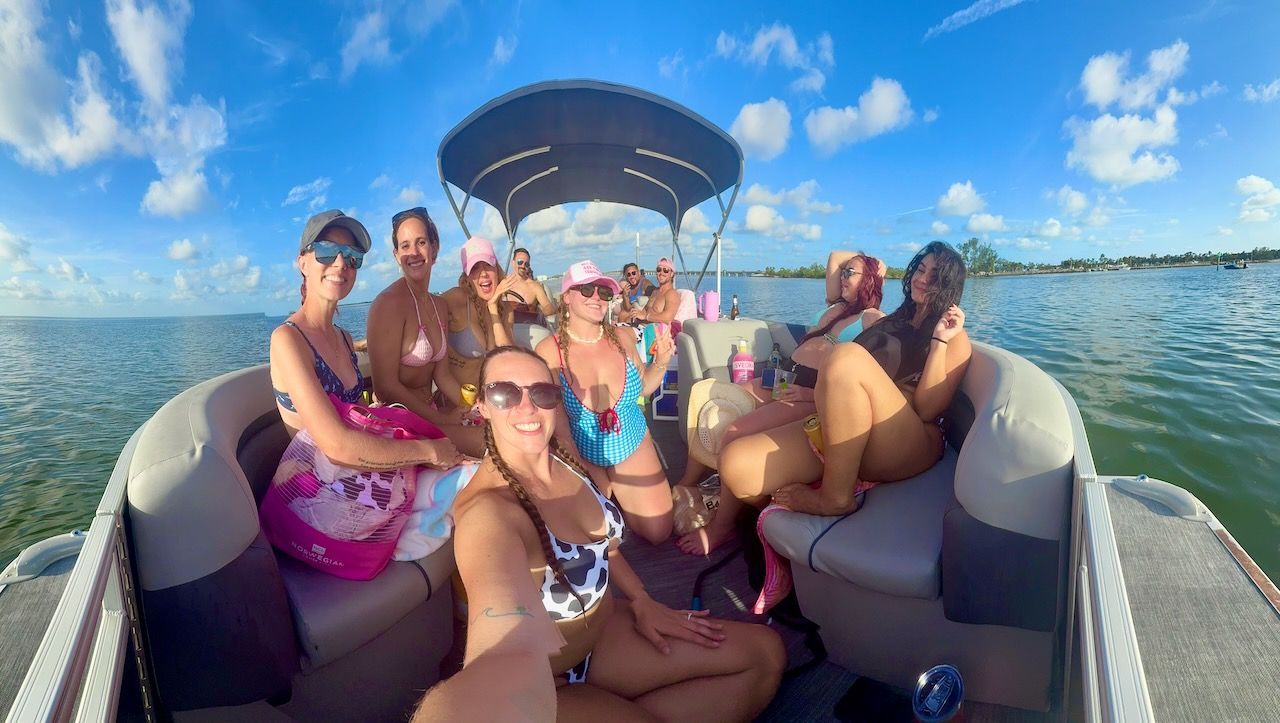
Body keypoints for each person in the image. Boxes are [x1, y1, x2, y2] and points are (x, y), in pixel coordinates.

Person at [447, 345, 785, 720]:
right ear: (481, 406)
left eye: (541, 393)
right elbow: (490, 650)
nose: (526, 407)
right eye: (504, 393)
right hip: (544, 683)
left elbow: (605, 548)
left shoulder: (563, 459)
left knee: (766, 655)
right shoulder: (488, 512)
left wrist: (641, 599)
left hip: (605, 633)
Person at [719, 241, 970, 519]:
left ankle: (835, 498)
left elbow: (928, 410)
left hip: (907, 439)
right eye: (920, 270)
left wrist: (938, 341)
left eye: (934, 276)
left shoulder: (954, 337)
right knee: (735, 466)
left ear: (948, 285)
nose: (921, 279)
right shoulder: (892, 321)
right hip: (851, 428)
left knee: (846, 355)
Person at [674, 251, 886, 555]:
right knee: (710, 396)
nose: (841, 276)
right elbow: (833, 258)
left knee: (734, 431)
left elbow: (866, 377)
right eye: (843, 273)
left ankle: (724, 526)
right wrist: (855, 267)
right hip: (786, 376)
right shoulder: (836, 307)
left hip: (810, 391)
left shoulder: (871, 317)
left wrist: (875, 267)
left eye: (850, 273)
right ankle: (689, 483)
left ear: (870, 280)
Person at [270, 209, 464, 470]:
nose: (340, 263)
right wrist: (428, 451)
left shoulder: (344, 338)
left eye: (352, 257)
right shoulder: (288, 339)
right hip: (322, 490)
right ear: (302, 262)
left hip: (365, 478)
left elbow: (359, 420)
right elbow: (336, 446)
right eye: (326, 250)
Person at [535, 260, 676, 545]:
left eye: (604, 292)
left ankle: (623, 497)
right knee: (595, 534)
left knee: (659, 532)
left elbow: (644, 389)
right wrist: (588, 477)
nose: (596, 297)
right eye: (586, 289)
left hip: (630, 439)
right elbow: (558, 427)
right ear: (566, 297)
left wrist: (661, 362)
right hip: (582, 446)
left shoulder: (623, 337)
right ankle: (613, 496)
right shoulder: (550, 351)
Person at [366, 207, 483, 457]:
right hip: (400, 423)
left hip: (430, 415)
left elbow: (443, 376)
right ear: (396, 255)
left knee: (494, 428)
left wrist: (471, 407)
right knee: (488, 444)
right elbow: (385, 387)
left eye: (420, 242)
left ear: (434, 248)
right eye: (405, 246)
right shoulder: (388, 304)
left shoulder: (438, 305)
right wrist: (441, 420)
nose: (414, 253)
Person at [442, 236, 519, 393]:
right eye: (475, 269)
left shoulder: (505, 309)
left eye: (488, 266)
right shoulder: (457, 299)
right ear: (468, 278)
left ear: (497, 270)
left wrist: (492, 309)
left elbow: (509, 357)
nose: (483, 274)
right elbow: (423, 311)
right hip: (459, 403)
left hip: (493, 401)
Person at [506, 247, 557, 326]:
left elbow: (548, 307)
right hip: (508, 328)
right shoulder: (504, 283)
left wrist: (536, 315)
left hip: (529, 327)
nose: (523, 266)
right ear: (513, 263)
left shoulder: (535, 286)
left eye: (526, 264)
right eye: (520, 262)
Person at [620, 258, 678, 324]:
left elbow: (668, 319)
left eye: (665, 270)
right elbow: (645, 310)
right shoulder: (655, 292)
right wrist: (636, 314)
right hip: (641, 326)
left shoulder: (671, 294)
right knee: (622, 317)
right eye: (659, 270)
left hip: (652, 330)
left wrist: (646, 316)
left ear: (672, 274)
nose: (661, 273)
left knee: (619, 330)